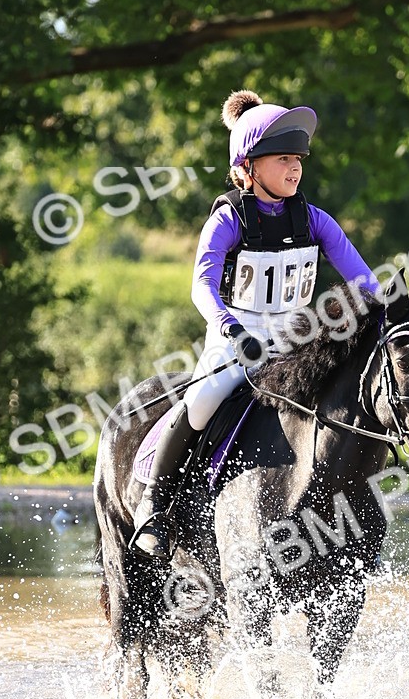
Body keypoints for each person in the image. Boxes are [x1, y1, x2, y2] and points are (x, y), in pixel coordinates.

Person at [132, 89, 380, 558]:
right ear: (248, 167)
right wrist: (231, 330)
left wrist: (387, 312)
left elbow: (364, 281)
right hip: (237, 339)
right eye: (282, 158)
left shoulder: (316, 220)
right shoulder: (228, 219)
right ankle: (154, 505)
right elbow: (200, 287)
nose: (295, 168)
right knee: (203, 399)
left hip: (296, 342)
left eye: (299, 159)